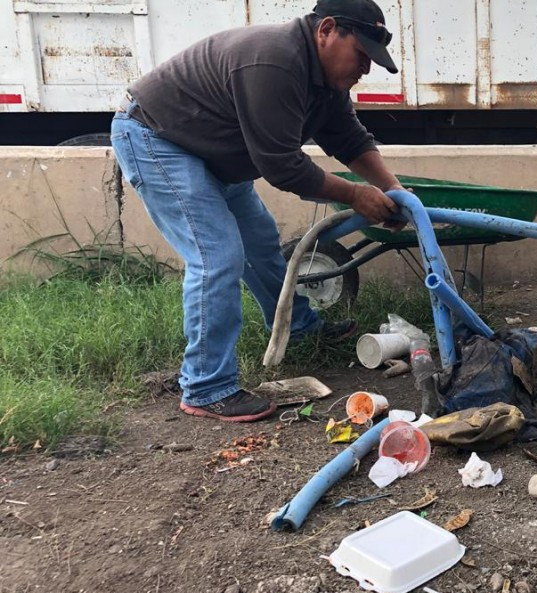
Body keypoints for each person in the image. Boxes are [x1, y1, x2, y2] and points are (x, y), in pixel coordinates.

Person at [110, 0, 405, 422]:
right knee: (218, 256)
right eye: (361, 55)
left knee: (261, 245)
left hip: (211, 151)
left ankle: (298, 330)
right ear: (326, 30)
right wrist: (357, 196)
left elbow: (349, 140)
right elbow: (282, 165)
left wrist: (392, 188)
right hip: (157, 138)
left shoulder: (326, 82)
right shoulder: (275, 60)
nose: (366, 69)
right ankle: (206, 386)